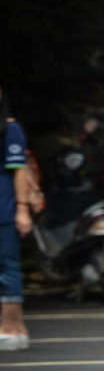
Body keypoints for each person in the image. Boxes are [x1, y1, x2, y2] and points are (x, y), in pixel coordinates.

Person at [0, 82, 33, 351]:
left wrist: (22, 208)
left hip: (4, 209)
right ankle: (18, 328)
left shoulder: (10, 129)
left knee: (7, 267)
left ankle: (8, 328)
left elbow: (19, 169)